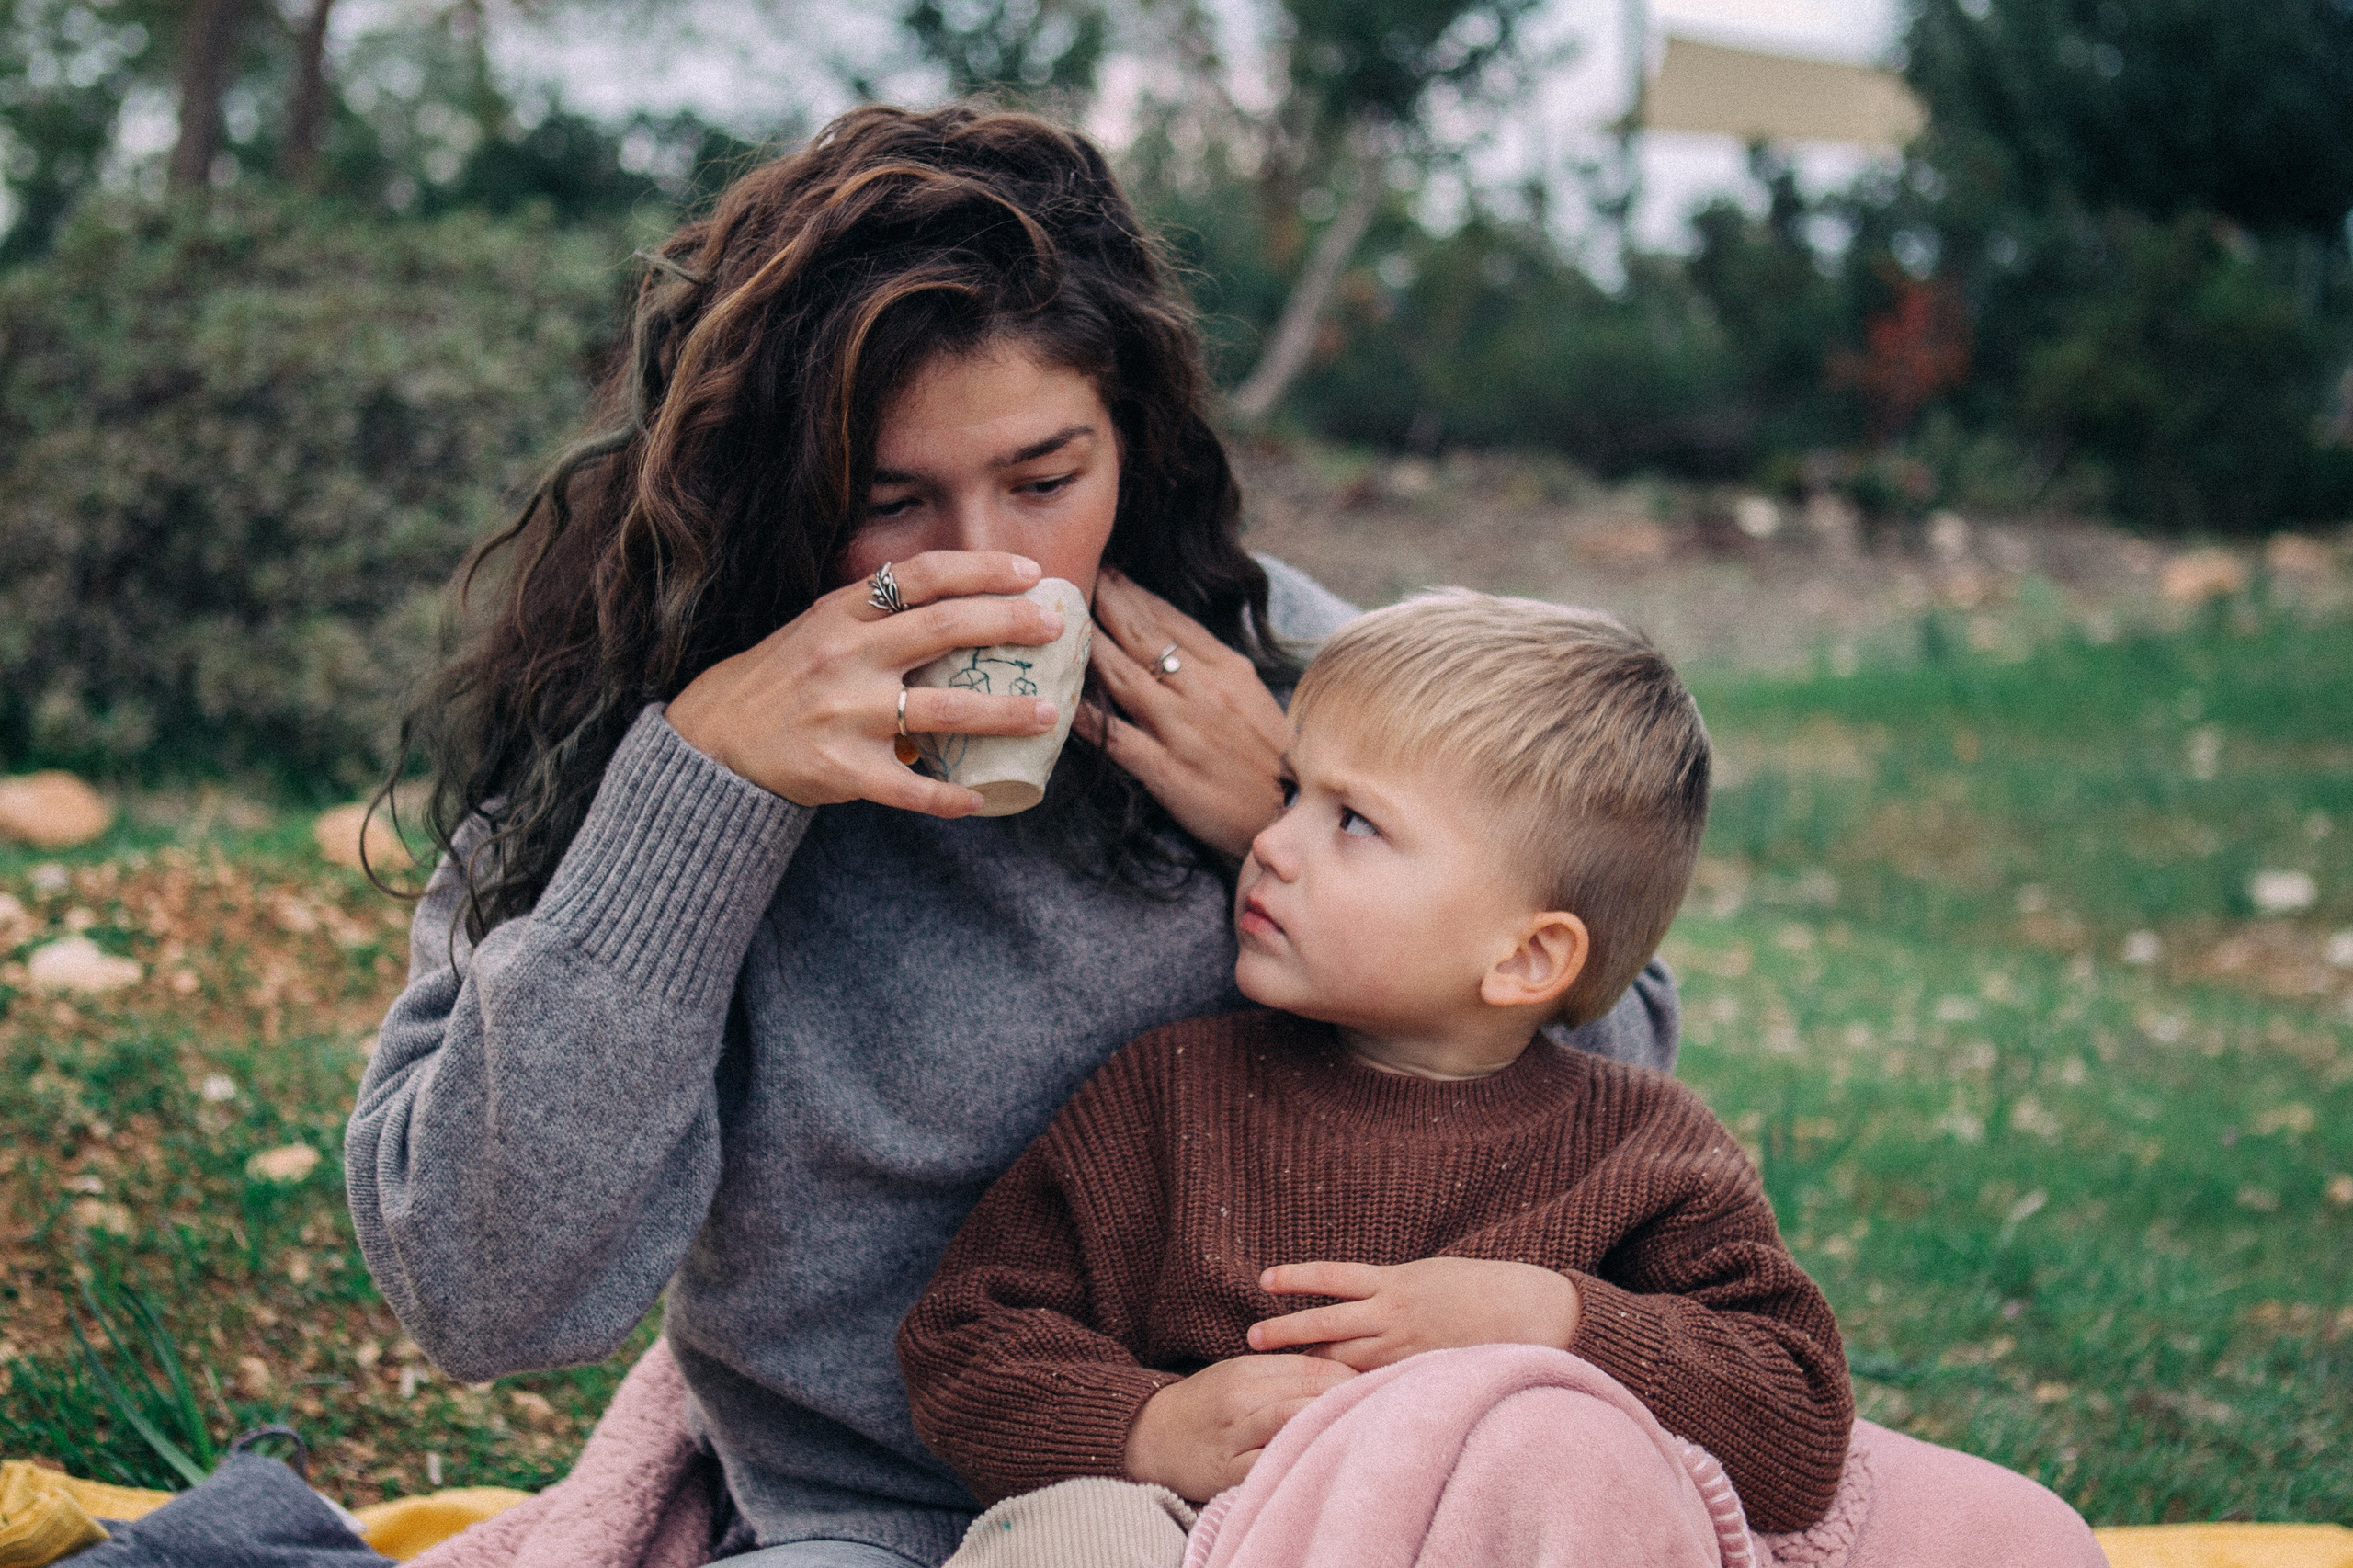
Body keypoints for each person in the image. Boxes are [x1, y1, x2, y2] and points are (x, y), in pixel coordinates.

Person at [343, 105, 1679, 1568]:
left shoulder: (1288, 679)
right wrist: (703, 790)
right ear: (771, 500)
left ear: (1134, 445)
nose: (986, 561)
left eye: (1046, 480)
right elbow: (484, 1294)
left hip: (1328, 1515)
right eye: (889, 501)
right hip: (866, 1524)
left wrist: (1285, 816)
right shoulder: (651, 746)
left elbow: (1612, 1084)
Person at [899, 590, 1859, 1557]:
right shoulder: (1169, 1092)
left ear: (1525, 957)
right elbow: (964, 1339)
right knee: (1071, 1534)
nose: (1268, 842)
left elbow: (1799, 1423)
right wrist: (1150, 1425)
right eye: (1290, 792)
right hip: (1206, 1533)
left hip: (1470, 1537)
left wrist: (1551, 1318)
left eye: (1353, 821)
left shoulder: (1644, 1148)